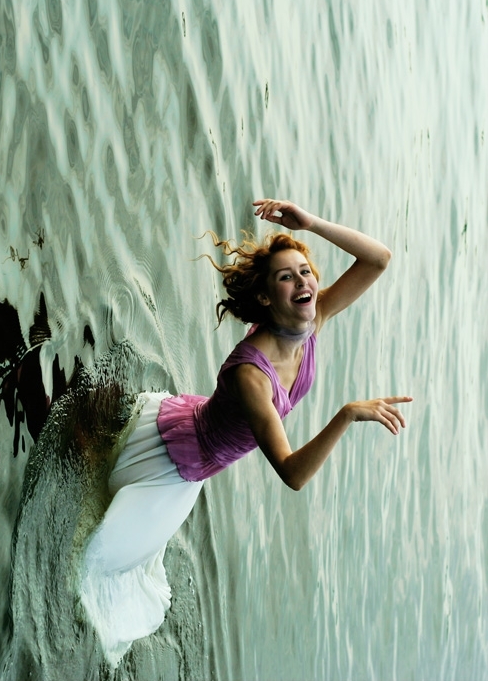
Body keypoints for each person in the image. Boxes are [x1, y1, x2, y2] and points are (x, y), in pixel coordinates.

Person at [79, 199, 412, 666]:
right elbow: (293, 473)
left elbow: (378, 259)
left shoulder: (311, 321)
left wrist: (311, 224)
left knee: (103, 532)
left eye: (306, 272)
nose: (304, 282)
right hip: (174, 458)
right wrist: (346, 415)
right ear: (266, 298)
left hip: (192, 442)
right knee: (94, 569)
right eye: (287, 277)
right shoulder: (252, 377)